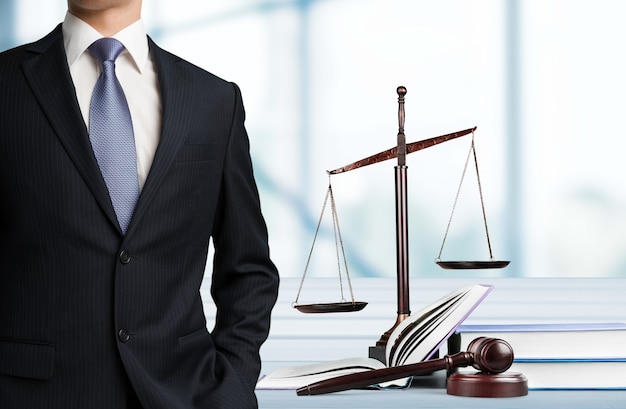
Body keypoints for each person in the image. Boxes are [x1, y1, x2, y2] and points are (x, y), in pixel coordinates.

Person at [0, 0, 280, 408]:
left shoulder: (213, 100)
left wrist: (231, 387)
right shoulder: (7, 85)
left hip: (184, 394)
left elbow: (249, 269)